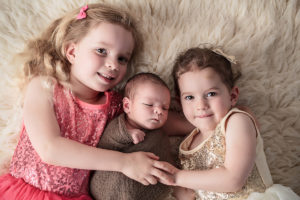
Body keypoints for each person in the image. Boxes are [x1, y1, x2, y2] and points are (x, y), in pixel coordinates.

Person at [0, 4, 176, 200]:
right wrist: (124, 163)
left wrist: (202, 118)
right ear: (72, 52)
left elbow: (156, 115)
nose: (113, 64)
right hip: (26, 193)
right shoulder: (45, 86)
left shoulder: (117, 104)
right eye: (101, 50)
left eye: (122, 58)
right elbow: (50, 149)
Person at [167, 47, 300, 200]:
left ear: (232, 95)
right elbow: (159, 124)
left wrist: (176, 177)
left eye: (211, 94)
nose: (200, 105)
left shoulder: (236, 122)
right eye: (190, 97)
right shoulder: (189, 142)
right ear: (179, 102)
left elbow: (233, 179)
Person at [90, 72, 177, 200]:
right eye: (149, 105)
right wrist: (127, 134)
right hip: (111, 184)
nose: (159, 111)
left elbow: (166, 158)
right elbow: (105, 144)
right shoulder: (120, 125)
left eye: (165, 108)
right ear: (127, 106)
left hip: (144, 188)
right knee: (120, 181)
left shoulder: (160, 134)